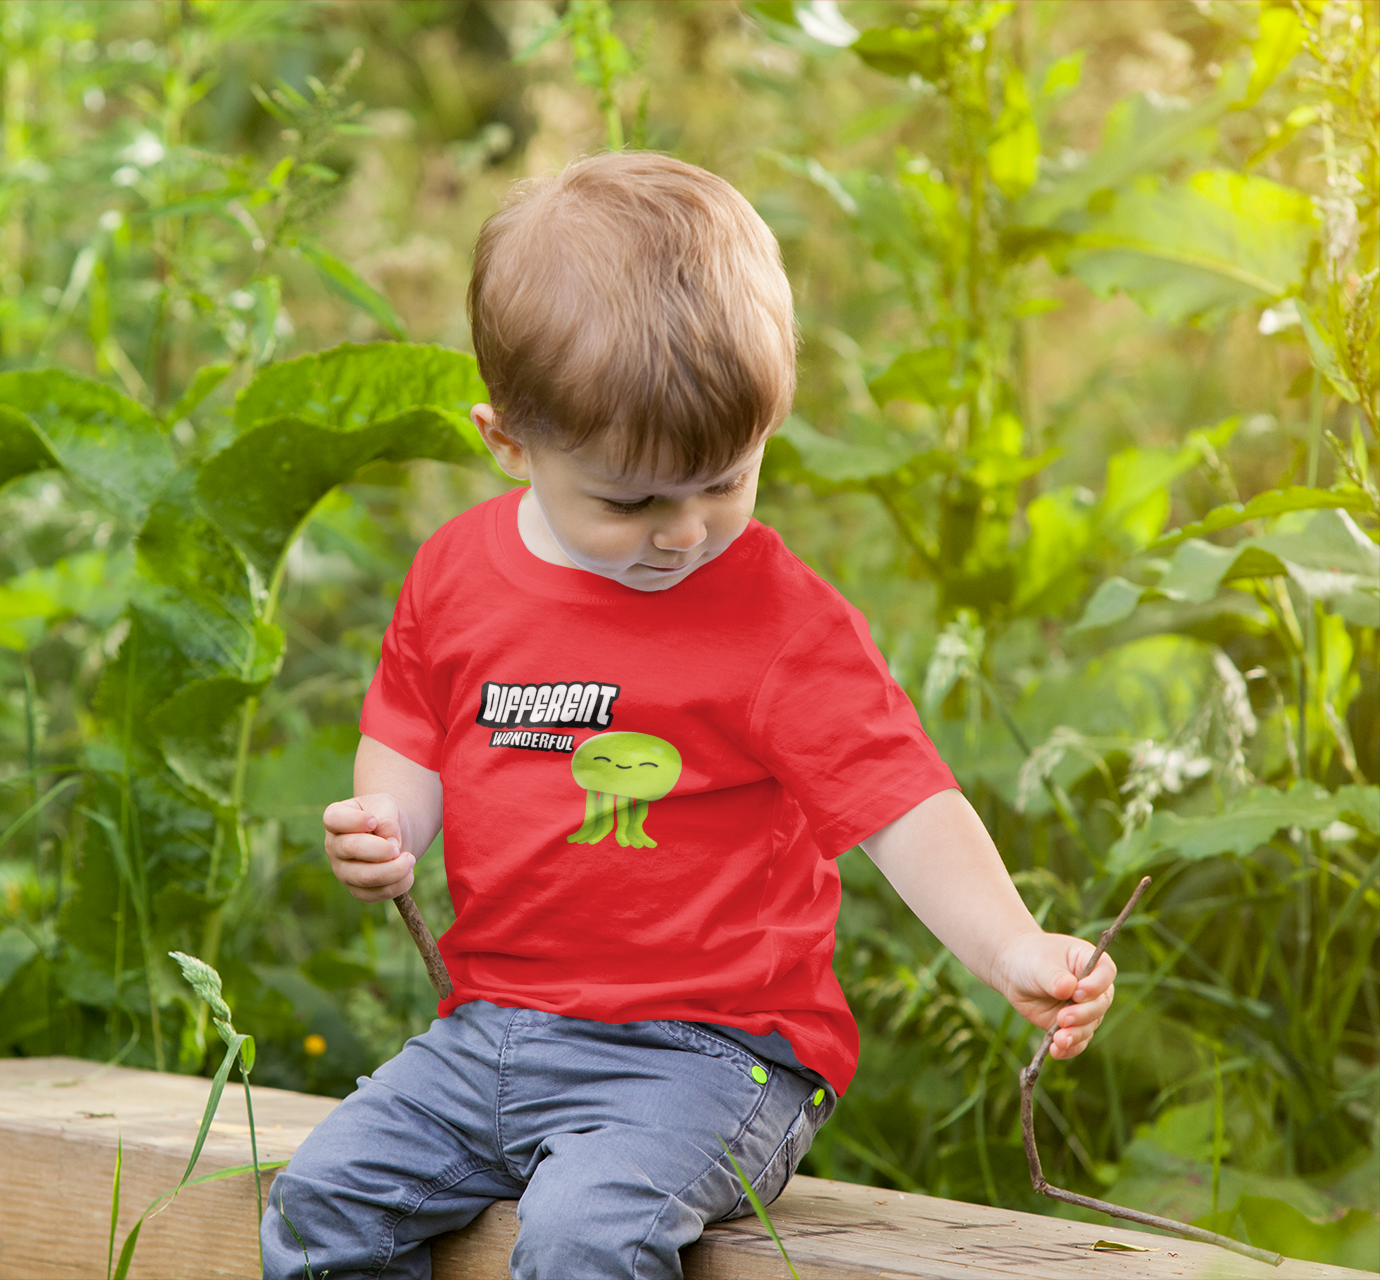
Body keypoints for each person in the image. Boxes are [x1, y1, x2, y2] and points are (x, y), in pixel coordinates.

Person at [258, 152, 1116, 1280]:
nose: (686, 530)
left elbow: (900, 802)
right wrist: (386, 822)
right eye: (633, 500)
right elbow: (412, 726)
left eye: (726, 479)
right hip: (491, 1029)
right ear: (507, 441)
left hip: (713, 1054)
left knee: (585, 1232)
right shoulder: (457, 573)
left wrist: (1010, 941)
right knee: (324, 1204)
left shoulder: (777, 620)